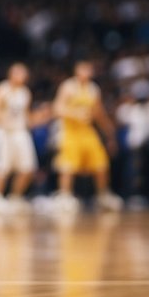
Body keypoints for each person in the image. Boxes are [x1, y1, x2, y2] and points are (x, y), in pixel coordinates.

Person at [52, 60, 122, 212]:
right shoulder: (68, 86)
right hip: (70, 131)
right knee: (68, 166)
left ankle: (103, 195)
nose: (86, 72)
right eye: (83, 69)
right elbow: (57, 108)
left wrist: (109, 130)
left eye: (89, 69)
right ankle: (65, 195)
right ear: (76, 70)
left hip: (87, 131)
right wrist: (74, 113)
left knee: (101, 163)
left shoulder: (93, 89)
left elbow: (98, 113)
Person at [0, 63, 37, 214]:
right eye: (17, 73)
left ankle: (15, 198)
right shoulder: (1, 90)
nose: (20, 76)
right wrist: (5, 117)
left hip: (20, 132)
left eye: (22, 73)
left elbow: (27, 117)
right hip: (4, 131)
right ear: (10, 74)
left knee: (28, 168)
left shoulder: (25, 92)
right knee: (1, 167)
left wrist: (41, 116)